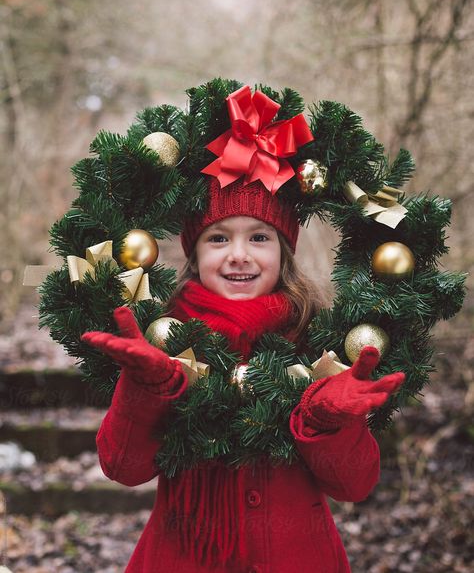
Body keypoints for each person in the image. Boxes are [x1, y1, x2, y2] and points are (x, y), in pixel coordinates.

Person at [81, 176, 405, 573]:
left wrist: (330, 423)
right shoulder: (166, 339)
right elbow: (123, 466)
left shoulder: (320, 342)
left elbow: (353, 485)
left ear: (284, 252)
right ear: (194, 254)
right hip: (182, 558)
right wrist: (145, 388)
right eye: (218, 238)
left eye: (259, 237)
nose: (239, 255)